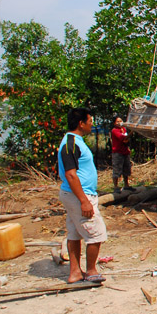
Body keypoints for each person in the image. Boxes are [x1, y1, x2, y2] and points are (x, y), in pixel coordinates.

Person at [57, 107, 107, 284]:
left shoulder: (74, 141)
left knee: (74, 233)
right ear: (81, 123)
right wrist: (84, 201)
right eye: (90, 122)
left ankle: (75, 272)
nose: (91, 125)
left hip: (75, 194)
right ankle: (91, 270)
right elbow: (71, 174)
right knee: (96, 233)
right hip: (79, 195)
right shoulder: (70, 144)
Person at [110, 115, 135, 193]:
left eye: (120, 121)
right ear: (114, 123)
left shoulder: (123, 129)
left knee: (126, 169)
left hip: (125, 152)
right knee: (117, 170)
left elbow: (126, 140)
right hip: (117, 153)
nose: (119, 123)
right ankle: (116, 187)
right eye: (117, 121)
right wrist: (133, 131)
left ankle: (126, 185)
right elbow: (124, 139)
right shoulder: (114, 131)